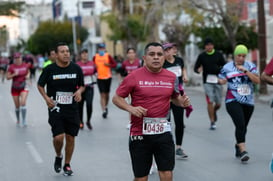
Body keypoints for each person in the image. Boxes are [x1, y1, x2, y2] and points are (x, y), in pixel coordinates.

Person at [112, 42, 191, 181]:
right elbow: (117, 98)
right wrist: (131, 108)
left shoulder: (171, 77)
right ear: (144, 57)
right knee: (141, 177)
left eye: (159, 54)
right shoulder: (134, 76)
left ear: (164, 58)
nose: (156, 57)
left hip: (163, 131)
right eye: (152, 54)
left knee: (167, 174)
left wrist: (182, 102)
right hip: (139, 133)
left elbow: (174, 97)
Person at [37, 42, 85, 176]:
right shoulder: (49, 70)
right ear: (56, 55)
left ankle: (67, 164)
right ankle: (58, 155)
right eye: (62, 52)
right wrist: (47, 99)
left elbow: (82, 85)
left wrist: (80, 92)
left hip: (72, 108)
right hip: (55, 108)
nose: (66, 54)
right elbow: (40, 85)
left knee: (70, 138)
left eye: (67, 51)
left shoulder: (76, 69)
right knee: (59, 138)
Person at [218, 44, 260, 163]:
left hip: (248, 101)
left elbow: (257, 81)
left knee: (243, 126)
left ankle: (238, 145)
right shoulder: (227, 67)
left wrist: (246, 71)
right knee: (240, 123)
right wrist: (222, 81)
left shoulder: (251, 66)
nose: (241, 58)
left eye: (243, 56)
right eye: (239, 55)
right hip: (232, 100)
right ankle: (243, 150)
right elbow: (220, 79)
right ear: (235, 56)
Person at [162, 42, 189, 159]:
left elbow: (183, 69)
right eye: (166, 50)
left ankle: (178, 147)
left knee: (180, 123)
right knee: (166, 123)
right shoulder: (162, 63)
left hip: (178, 95)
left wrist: (185, 75)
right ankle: (166, 146)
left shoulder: (179, 60)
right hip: (165, 97)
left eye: (170, 49)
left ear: (173, 50)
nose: (168, 52)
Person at [194, 37, 226, 130]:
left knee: (219, 103)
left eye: (210, 45)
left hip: (218, 81)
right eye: (207, 45)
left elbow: (225, 67)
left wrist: (223, 79)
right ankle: (212, 122)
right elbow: (196, 67)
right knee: (210, 101)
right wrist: (198, 70)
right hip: (207, 82)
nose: (209, 46)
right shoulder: (202, 56)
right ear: (205, 47)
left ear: (213, 45)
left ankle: (214, 111)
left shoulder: (218, 55)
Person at [93, 43, 117, 118]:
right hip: (99, 78)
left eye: (102, 49)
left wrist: (108, 65)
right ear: (98, 49)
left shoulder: (108, 56)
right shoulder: (95, 57)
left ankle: (105, 106)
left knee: (107, 95)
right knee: (102, 94)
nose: (101, 50)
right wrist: (94, 70)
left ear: (104, 49)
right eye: (100, 49)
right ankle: (103, 110)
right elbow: (92, 66)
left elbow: (115, 64)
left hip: (108, 77)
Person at [6, 52, 30, 127]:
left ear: (21, 58)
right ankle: (18, 119)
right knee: (17, 106)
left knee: (23, 102)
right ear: (14, 59)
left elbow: (28, 72)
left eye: (18, 58)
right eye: (16, 58)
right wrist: (14, 74)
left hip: (23, 86)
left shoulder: (25, 65)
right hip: (15, 88)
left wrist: (28, 76)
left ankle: (24, 120)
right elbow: (7, 77)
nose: (17, 59)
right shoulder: (11, 67)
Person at [76, 48, 96, 130]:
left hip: (89, 87)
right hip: (80, 88)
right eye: (83, 54)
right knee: (80, 106)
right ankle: (80, 121)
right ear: (80, 55)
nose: (85, 55)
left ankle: (88, 121)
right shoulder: (77, 64)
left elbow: (95, 72)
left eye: (86, 54)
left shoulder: (92, 63)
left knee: (89, 104)